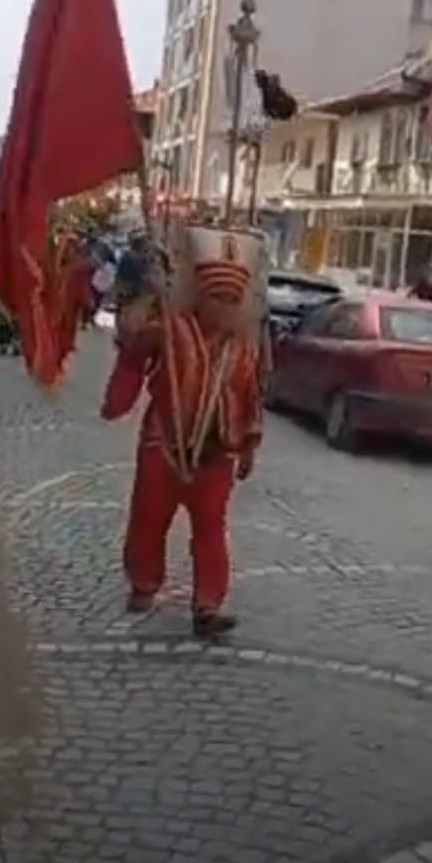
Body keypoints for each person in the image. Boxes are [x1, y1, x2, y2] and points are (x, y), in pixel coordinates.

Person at [102, 225, 264, 638]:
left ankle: (207, 605)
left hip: (218, 450)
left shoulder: (244, 343)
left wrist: (248, 446)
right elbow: (131, 340)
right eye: (217, 297)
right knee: (148, 518)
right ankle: (143, 584)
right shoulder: (171, 328)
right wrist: (148, 296)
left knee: (210, 530)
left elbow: (250, 394)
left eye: (232, 300)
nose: (225, 307)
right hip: (164, 442)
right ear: (200, 295)